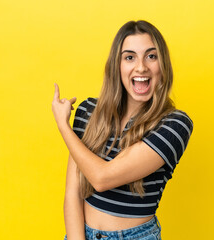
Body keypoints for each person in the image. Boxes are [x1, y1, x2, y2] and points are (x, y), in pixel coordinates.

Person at [52, 20, 193, 240]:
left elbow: (101, 178)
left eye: (151, 56)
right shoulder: (88, 112)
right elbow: (73, 194)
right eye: (130, 57)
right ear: (117, 66)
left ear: (162, 65)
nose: (141, 67)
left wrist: (63, 126)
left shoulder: (174, 125)